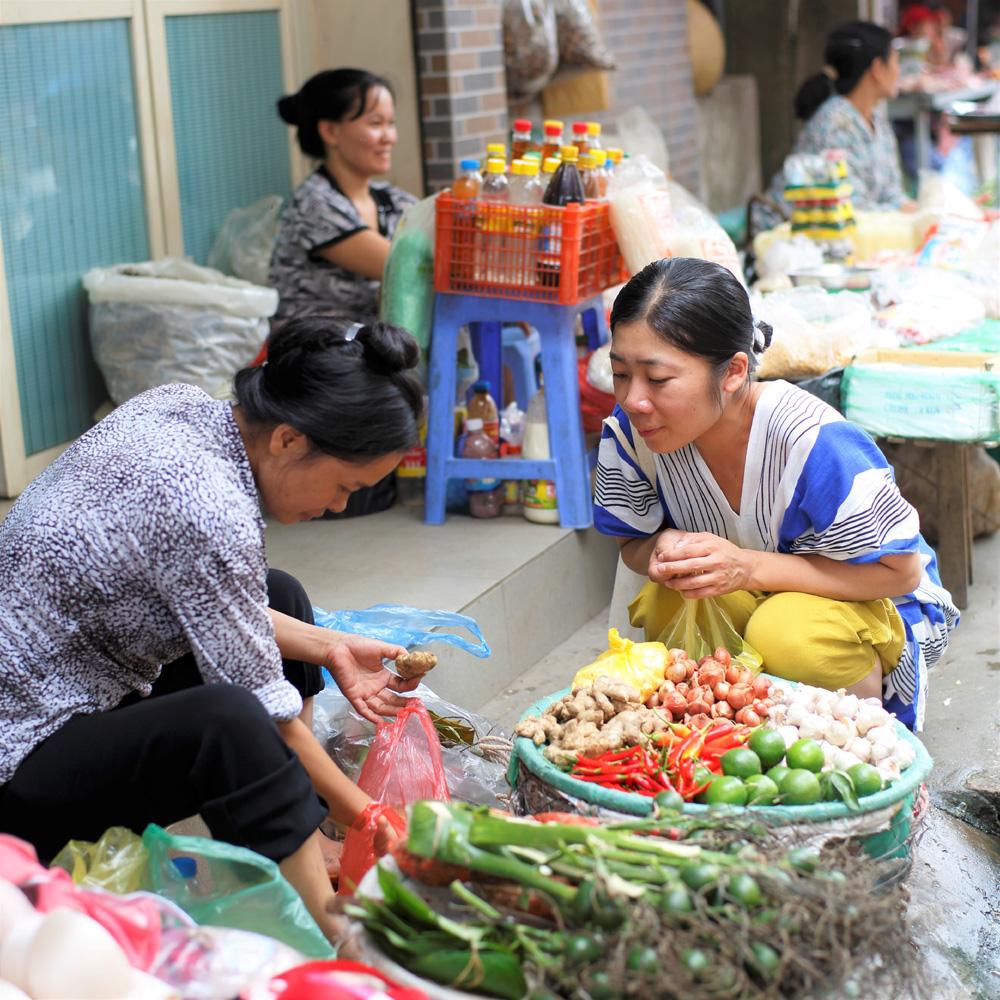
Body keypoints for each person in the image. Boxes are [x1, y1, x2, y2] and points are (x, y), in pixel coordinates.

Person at [0, 317, 424, 940]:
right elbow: (271, 717)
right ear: (286, 439)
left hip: (72, 691)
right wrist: (371, 817)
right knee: (232, 725)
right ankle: (331, 939)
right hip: (19, 760)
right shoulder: (204, 502)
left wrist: (331, 646)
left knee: (280, 594)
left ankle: (300, 839)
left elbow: (219, 602)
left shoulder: (184, 408)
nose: (337, 507)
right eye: (343, 486)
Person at [593, 258, 958, 731]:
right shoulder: (632, 434)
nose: (633, 399)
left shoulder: (812, 441)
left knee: (788, 634)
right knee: (674, 593)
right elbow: (633, 543)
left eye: (657, 379)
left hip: (876, 601)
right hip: (750, 588)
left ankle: (861, 739)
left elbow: (901, 572)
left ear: (733, 371)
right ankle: (724, 733)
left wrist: (747, 567)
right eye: (621, 374)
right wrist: (659, 549)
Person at [269, 69, 416, 329]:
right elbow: (407, 266)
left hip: (369, 351)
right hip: (320, 357)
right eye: (375, 124)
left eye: (391, 123)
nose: (389, 137)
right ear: (330, 132)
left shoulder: (392, 200)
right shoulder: (314, 204)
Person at [757, 21, 906, 230]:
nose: (899, 71)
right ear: (878, 69)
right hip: (792, 242)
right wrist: (907, 213)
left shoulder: (878, 124)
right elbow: (851, 211)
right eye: (896, 62)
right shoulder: (835, 125)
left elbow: (893, 193)